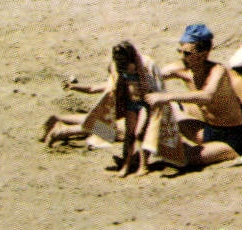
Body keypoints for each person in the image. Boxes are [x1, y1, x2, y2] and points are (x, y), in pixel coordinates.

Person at [41, 41, 158, 176]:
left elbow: (95, 88)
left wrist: (74, 87)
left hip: (132, 110)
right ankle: (63, 131)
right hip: (131, 111)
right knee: (109, 131)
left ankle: (61, 121)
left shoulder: (121, 79)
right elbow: (95, 89)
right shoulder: (120, 80)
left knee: (102, 126)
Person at [145, 29, 242, 169]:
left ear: (203, 54)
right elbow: (151, 77)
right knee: (161, 113)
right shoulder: (181, 68)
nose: (183, 57)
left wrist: (166, 97)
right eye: (180, 52)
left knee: (182, 158)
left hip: (230, 138)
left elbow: (207, 96)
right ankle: (134, 156)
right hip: (208, 130)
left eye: (187, 54)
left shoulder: (218, 71)